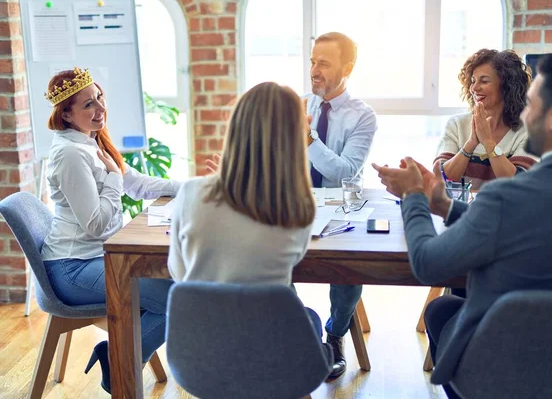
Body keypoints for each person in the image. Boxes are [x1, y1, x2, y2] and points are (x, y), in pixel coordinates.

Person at [371, 54, 552, 398]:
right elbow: (510, 221)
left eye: (532, 105)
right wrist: (444, 206)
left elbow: (427, 264)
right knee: (445, 306)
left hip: (504, 353)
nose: (526, 114)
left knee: (440, 310)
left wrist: (413, 197)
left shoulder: (504, 197)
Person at [205, 32, 377, 380]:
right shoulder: (295, 104)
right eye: (312, 61)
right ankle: (299, 330)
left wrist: (308, 138)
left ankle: (335, 335)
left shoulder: (363, 117)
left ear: (348, 67)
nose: (314, 70)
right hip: (289, 208)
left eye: (324, 63)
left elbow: (345, 171)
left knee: (351, 267)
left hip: (338, 213)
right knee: (263, 256)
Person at [41, 68, 181, 394]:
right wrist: (114, 178)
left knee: (177, 283)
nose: (100, 109)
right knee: (176, 296)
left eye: (99, 98)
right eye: (88, 105)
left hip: (97, 258)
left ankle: (116, 356)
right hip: (72, 269)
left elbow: (139, 184)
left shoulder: (91, 142)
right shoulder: (70, 155)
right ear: (66, 114)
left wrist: (193, 187)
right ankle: (120, 362)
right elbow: (96, 224)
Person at [168, 81, 324, 340]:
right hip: (269, 351)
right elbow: (281, 269)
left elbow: (179, 273)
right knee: (310, 320)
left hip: (198, 356)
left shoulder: (190, 192)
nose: (309, 117)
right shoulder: (300, 205)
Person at [434, 49, 536, 191]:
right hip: (462, 212)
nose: (474, 88)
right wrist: (470, 144)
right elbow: (441, 177)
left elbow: (518, 184)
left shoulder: (528, 132)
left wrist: (489, 144)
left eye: (484, 81)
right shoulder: (456, 125)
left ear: (506, 86)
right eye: (473, 81)